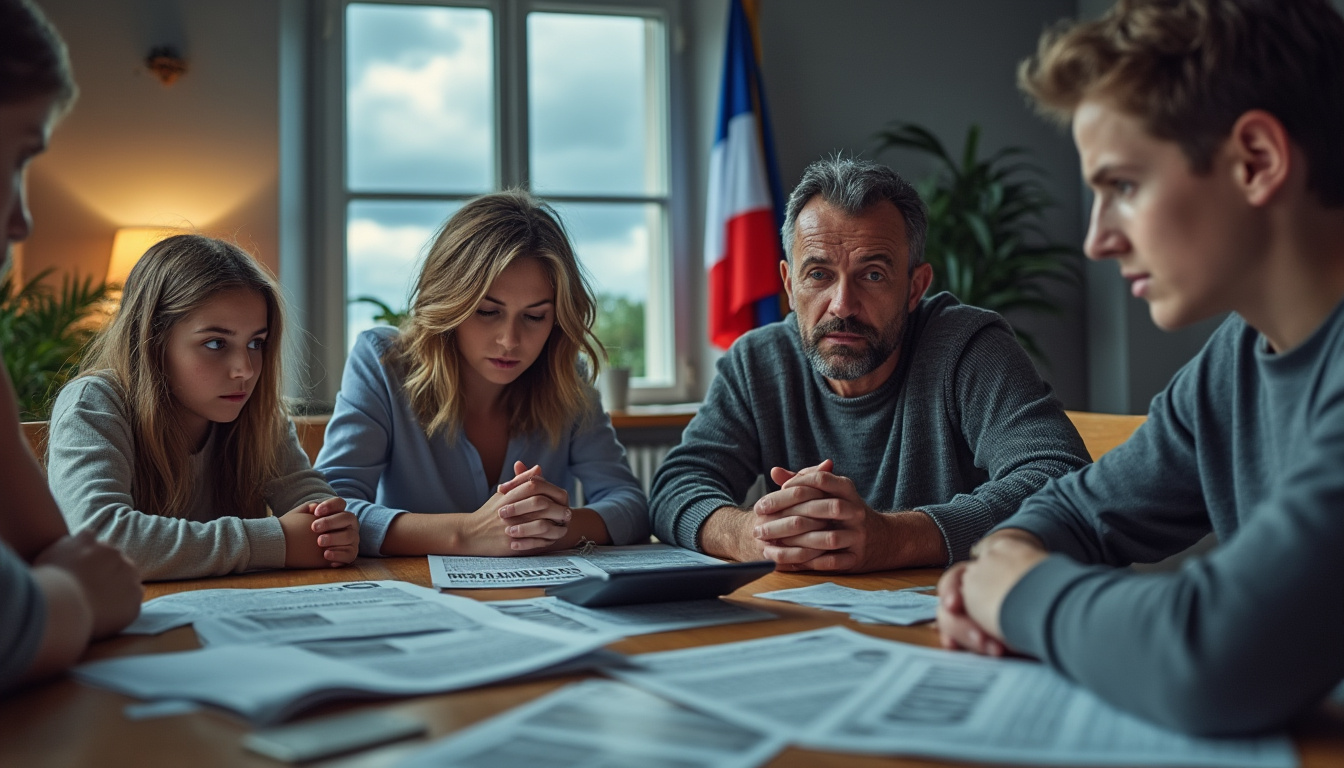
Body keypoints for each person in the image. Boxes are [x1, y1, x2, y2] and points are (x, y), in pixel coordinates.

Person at [936, 0, 1344, 736]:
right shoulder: (1234, 361)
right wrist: (1008, 553)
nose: (1095, 240)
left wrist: (1019, 593)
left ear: (1256, 160)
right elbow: (1071, 512)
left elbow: (1216, 656)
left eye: (1121, 185)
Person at [650, 157, 1090, 572]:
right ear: (789, 283)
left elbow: (1060, 478)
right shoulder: (757, 362)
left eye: (873, 274)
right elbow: (677, 484)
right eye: (819, 274)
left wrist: (895, 538)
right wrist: (752, 534)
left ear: (915, 288)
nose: (842, 305)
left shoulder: (968, 347)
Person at [316, 190, 649, 556]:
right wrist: (467, 533)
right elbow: (329, 513)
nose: (510, 340)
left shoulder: (566, 376)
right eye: (488, 311)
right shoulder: (381, 363)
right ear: (450, 303)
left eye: (535, 316)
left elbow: (631, 506)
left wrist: (549, 527)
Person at [47, 235, 360, 580]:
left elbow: (313, 507)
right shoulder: (93, 405)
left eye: (256, 342)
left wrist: (331, 527)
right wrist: (274, 541)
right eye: (216, 343)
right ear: (152, 340)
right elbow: (102, 541)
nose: (245, 369)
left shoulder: (259, 414)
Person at [0, 0, 142, 692]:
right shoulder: (95, 401)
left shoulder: (257, 408)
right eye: (20, 157)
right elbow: (31, 612)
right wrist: (73, 598)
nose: (22, 219)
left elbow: (54, 552)